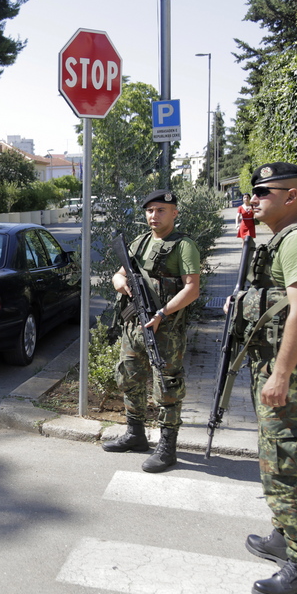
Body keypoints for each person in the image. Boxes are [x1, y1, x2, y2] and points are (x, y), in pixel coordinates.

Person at [237, 163, 297, 594]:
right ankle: (284, 536)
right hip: (272, 368)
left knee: (291, 466)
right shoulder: (279, 239)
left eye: (263, 193)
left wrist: (281, 373)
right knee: (276, 458)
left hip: (287, 374)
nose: (254, 200)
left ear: (292, 196)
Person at [102, 189, 201, 474]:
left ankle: (167, 447)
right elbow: (119, 273)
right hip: (134, 325)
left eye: (160, 210)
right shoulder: (140, 241)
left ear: (174, 213)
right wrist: (119, 282)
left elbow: (192, 288)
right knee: (129, 377)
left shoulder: (183, 246)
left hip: (165, 330)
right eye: (150, 211)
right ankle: (136, 434)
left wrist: (162, 313)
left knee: (167, 386)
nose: (154, 216)